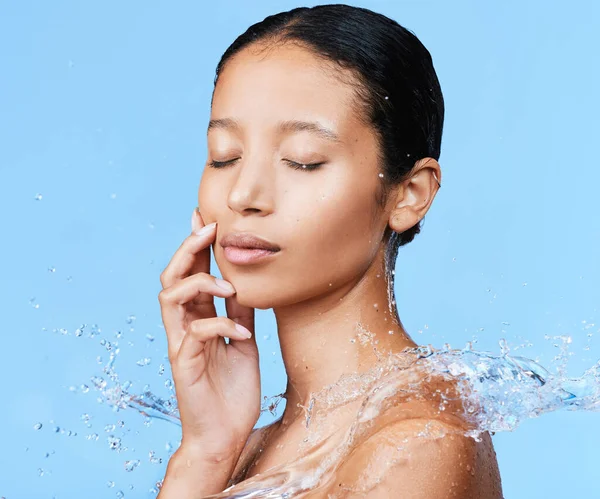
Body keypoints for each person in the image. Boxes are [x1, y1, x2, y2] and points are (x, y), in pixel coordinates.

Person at [157, 4, 503, 498]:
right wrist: (204, 452)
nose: (243, 195)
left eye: (303, 161)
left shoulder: (416, 440)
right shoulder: (248, 448)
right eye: (224, 156)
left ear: (409, 194)